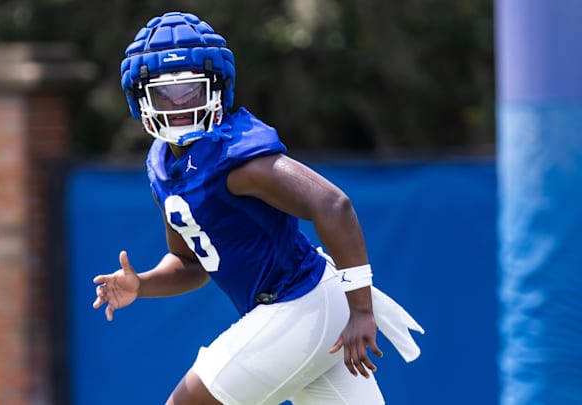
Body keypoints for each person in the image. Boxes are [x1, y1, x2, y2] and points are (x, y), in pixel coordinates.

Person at [93, 11, 424, 405]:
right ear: (140, 99)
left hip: (301, 302)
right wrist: (142, 284)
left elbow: (333, 204)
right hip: (304, 310)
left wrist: (362, 310)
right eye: (165, 94)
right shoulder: (163, 166)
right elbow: (192, 263)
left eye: (192, 92)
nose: (179, 106)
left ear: (218, 90)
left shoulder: (238, 157)